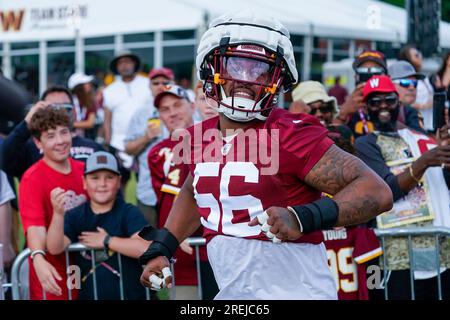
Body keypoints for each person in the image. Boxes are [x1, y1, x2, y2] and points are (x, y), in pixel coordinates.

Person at [138, 11, 393, 300]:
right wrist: (164, 246)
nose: (246, 79)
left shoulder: (290, 133)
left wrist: (302, 217)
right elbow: (195, 189)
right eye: (236, 66)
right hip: (234, 293)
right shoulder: (199, 136)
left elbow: (377, 191)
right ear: (212, 68)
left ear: (278, 79)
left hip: (296, 292)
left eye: (260, 70)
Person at [354, 75, 450, 299]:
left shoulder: (422, 139)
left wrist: (444, 152)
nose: (383, 106)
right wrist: (424, 161)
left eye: (388, 99)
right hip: (395, 254)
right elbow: (386, 190)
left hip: (439, 248)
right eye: (375, 102)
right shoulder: (365, 144)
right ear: (367, 108)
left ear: (399, 102)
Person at [147, 85, 219, 300]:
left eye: (177, 105)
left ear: (192, 105)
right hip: (183, 253)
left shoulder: (214, 139)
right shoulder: (157, 153)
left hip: (217, 245)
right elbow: (167, 201)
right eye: (165, 109)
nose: (172, 113)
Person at [46, 151, 150, 300]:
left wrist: (108, 241)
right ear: (84, 182)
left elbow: (146, 247)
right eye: (95, 178)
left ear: (119, 181)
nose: (102, 184)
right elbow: (54, 247)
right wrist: (57, 214)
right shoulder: (76, 215)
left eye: (109, 178)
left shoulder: (128, 212)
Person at [19, 107, 87, 300]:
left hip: (88, 271)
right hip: (53, 274)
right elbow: (34, 226)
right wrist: (38, 258)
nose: (60, 141)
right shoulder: (32, 178)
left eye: (64, 132)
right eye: (50, 136)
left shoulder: (85, 170)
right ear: (38, 142)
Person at [1, 86, 104, 180]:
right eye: (52, 108)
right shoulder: (32, 147)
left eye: (65, 108)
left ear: (73, 112)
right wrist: (27, 122)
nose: (59, 113)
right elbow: (4, 159)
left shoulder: (94, 148)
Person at [124, 67, 174, 226]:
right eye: (156, 83)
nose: (160, 86)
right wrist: (146, 137)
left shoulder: (183, 110)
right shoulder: (141, 114)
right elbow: (128, 149)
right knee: (149, 243)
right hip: (148, 190)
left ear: (172, 84)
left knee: (178, 243)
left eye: (165, 82)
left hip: (178, 189)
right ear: (149, 86)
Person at [103, 51, 151, 186]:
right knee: (118, 184)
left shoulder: (147, 84)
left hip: (144, 141)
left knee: (146, 182)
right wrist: (108, 142)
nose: (124, 66)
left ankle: (143, 207)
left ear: (134, 64)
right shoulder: (110, 90)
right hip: (118, 143)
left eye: (127, 62)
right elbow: (107, 119)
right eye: (121, 63)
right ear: (117, 67)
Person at [334, 50, 388, 137]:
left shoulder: (393, 103)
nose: (369, 78)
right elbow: (331, 139)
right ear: (356, 77)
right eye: (363, 73)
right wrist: (343, 113)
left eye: (375, 73)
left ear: (387, 77)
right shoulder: (349, 105)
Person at [398, 45, 434, 132]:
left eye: (415, 83)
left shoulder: (424, 78)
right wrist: (423, 106)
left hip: (428, 125)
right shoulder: (399, 77)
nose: (411, 87)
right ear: (407, 59)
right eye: (416, 55)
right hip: (411, 125)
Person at [388, 60, 427, 134]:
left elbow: (421, 140)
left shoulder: (412, 112)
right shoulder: (376, 110)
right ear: (390, 84)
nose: (412, 88)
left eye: (415, 83)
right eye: (405, 83)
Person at [68, 72, 98, 139]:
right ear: (79, 86)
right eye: (86, 83)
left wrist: (70, 124)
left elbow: (90, 123)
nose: (89, 84)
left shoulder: (90, 102)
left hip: (87, 138)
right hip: (70, 138)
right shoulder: (68, 101)